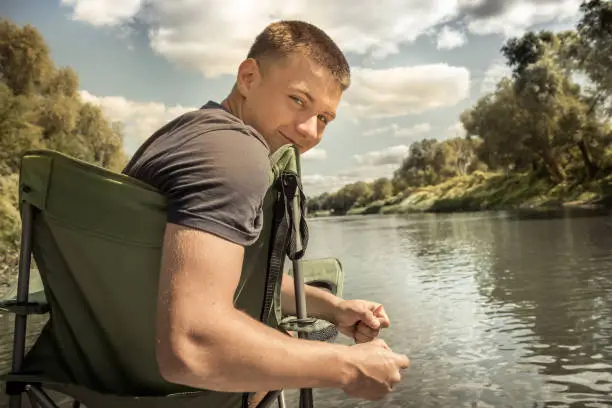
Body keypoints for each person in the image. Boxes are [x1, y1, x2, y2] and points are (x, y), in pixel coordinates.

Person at [122, 20, 410, 404]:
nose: (310, 131)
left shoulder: (186, 134)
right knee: (290, 343)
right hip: (179, 390)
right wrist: (348, 365)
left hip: (114, 369)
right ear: (248, 77)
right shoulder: (236, 158)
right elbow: (191, 345)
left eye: (324, 118)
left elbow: (206, 270)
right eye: (298, 100)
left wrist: (334, 308)